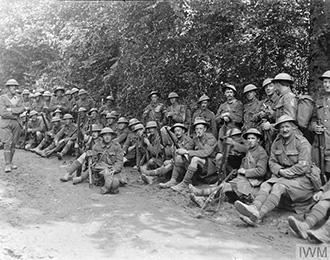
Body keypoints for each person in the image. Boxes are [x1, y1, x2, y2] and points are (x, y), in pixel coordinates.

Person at [235, 115, 316, 226]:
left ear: (293, 127)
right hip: (282, 175)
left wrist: (287, 172)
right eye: (281, 127)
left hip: (302, 180)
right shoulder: (277, 143)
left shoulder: (302, 143)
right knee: (265, 185)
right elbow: (272, 162)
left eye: (287, 126)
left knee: (278, 187)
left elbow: (304, 166)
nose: (284, 130)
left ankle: (258, 216)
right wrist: (280, 171)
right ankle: (253, 208)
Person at [189, 128, 267, 206]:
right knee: (225, 190)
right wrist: (238, 171)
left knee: (225, 186)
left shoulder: (261, 153)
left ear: (258, 140)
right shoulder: (249, 150)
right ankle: (204, 199)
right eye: (248, 138)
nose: (250, 140)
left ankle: (200, 194)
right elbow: (243, 161)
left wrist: (245, 172)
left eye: (253, 138)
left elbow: (261, 171)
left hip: (252, 182)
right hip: (243, 179)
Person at [170, 118, 217, 193]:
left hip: (212, 164)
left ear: (205, 129)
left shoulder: (211, 138)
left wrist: (187, 152)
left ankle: (184, 183)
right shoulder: (195, 139)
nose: (198, 130)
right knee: (180, 157)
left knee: (195, 159)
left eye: (201, 128)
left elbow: (206, 153)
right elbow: (189, 148)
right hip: (202, 164)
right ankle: (173, 180)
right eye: (197, 129)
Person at [86, 127, 124, 194]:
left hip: (113, 169)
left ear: (112, 136)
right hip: (100, 169)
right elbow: (94, 162)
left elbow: (120, 161)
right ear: (102, 136)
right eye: (105, 135)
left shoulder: (116, 146)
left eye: (109, 135)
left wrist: (115, 169)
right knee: (106, 173)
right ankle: (106, 187)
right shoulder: (96, 146)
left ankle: (108, 187)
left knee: (115, 184)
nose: (107, 137)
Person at [0, 79, 25, 172]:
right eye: (11, 86)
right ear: (8, 87)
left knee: (14, 143)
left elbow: (22, 108)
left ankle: (10, 162)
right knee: (7, 143)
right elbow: (3, 113)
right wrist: (15, 113)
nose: (14, 88)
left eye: (15, 86)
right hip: (5, 123)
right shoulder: (2, 98)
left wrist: (10, 109)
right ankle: (7, 164)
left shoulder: (19, 97)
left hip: (17, 123)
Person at [311, 70, 330, 180]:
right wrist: (314, 127)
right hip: (321, 145)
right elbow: (313, 119)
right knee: (322, 174)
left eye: (329, 82)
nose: (327, 85)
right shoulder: (319, 101)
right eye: (325, 82)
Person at [256, 78, 279, 154]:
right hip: (264, 134)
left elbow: (282, 117)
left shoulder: (279, 100)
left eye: (270, 86)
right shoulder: (264, 102)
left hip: (276, 132)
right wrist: (260, 115)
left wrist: (270, 113)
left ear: (275, 87)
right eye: (266, 87)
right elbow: (255, 117)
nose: (268, 88)